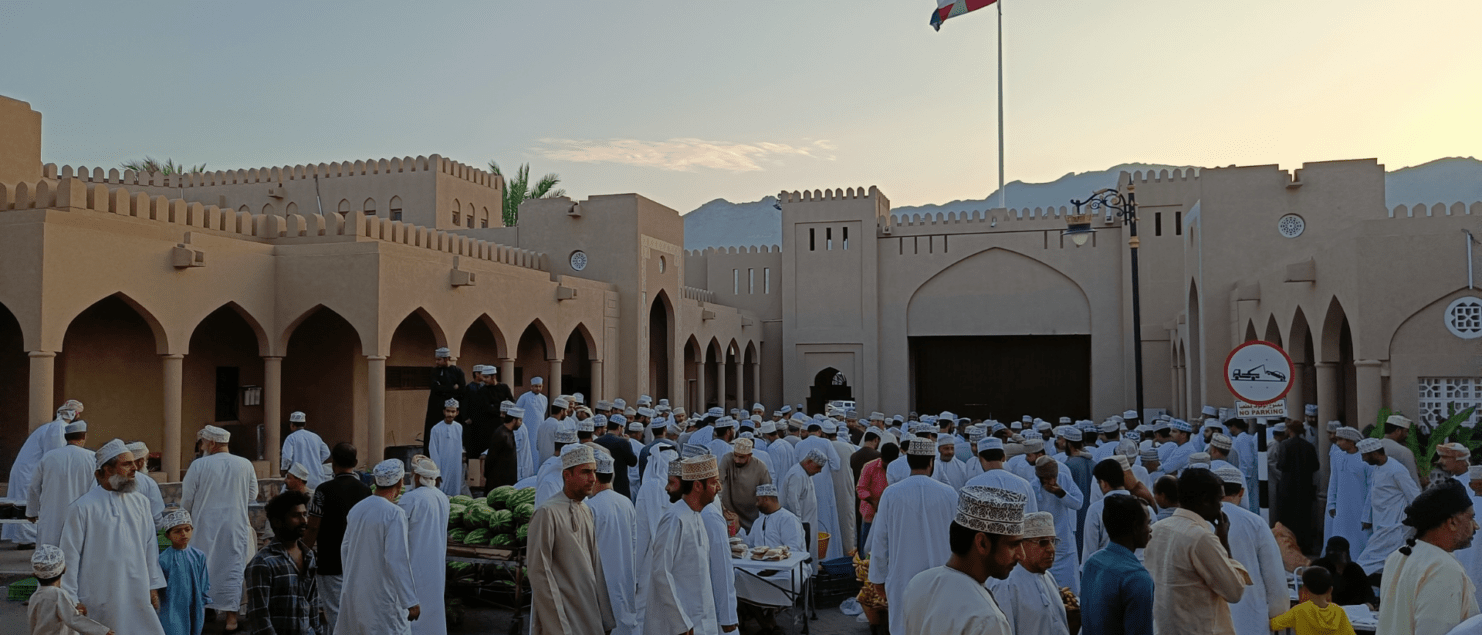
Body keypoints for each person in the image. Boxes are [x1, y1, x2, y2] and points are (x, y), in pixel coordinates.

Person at [60, 439, 165, 634]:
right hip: (98, 592)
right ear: (107, 470)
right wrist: (71, 598)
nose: (135, 468)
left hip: (136, 589)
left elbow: (151, 546)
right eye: (127, 464)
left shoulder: (141, 503)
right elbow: (70, 556)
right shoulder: (82, 508)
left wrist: (153, 584)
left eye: (134, 462)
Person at [901, 485, 1026, 635]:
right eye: (1013, 545)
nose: (1021, 555)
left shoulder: (918, 583)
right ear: (982, 543)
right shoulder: (987, 619)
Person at [868, 438, 959, 635]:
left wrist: (877, 577)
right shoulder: (949, 493)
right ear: (931, 462)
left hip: (903, 576)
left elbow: (880, 539)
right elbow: (958, 539)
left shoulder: (891, 493)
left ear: (908, 461)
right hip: (941, 577)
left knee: (905, 626)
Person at [1145, 467, 1251, 635]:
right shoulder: (1200, 538)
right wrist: (1223, 542)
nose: (1221, 505)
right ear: (1204, 500)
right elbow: (1234, 591)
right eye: (1218, 499)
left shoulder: (1156, 529)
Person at [527, 445, 614, 634]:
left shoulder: (585, 510)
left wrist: (605, 619)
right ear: (567, 475)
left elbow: (595, 566)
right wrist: (558, 626)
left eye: (594, 472)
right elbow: (539, 574)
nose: (592, 478)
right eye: (585, 472)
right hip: (562, 619)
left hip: (588, 615)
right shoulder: (547, 513)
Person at [1377, 478, 1480, 635]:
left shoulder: (1397, 557)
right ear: (1452, 522)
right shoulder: (1443, 569)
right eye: (1471, 518)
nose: (1476, 526)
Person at [181, 425, 258, 633]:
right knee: (232, 568)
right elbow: (252, 495)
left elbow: (186, 499)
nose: (202, 446)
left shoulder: (199, 466)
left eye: (204, 442)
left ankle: (202, 615)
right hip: (235, 526)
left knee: (204, 568)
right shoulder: (245, 464)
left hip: (203, 527)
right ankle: (231, 619)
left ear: (212, 443)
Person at [337, 460, 420, 634]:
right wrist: (410, 601)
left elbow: (345, 550)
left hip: (356, 595)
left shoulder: (357, 509)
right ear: (399, 483)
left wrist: (355, 580)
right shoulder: (394, 513)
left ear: (375, 482)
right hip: (382, 599)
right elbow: (396, 559)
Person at [641, 455, 720, 635]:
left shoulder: (696, 516)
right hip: (677, 625)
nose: (719, 488)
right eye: (714, 482)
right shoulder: (674, 519)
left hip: (700, 621)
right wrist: (681, 623)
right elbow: (661, 572)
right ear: (698, 486)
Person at [303, 442, 369, 635]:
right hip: (358, 563)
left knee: (336, 615)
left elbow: (313, 526)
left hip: (330, 562)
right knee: (356, 614)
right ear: (355, 463)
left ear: (332, 463)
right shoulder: (366, 491)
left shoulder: (323, 491)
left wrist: (302, 553)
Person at [1215, 465, 1288, 635]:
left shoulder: (1200, 520)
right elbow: (1273, 573)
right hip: (1250, 615)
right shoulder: (1255, 522)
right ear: (1241, 492)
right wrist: (1278, 613)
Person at [243, 491, 321, 635]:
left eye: (304, 514)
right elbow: (260, 618)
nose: (304, 521)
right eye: (296, 515)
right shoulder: (262, 563)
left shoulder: (308, 556)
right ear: (277, 521)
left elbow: (313, 606)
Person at [5, 401, 81, 548]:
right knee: (27, 504)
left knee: (29, 503)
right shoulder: (58, 427)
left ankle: (28, 539)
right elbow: (56, 454)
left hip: (30, 470)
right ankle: (27, 540)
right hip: (29, 471)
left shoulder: (53, 427)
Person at [1081, 494, 1155, 635]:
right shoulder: (1137, 578)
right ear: (1135, 527)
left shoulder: (1093, 562)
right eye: (1148, 523)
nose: (1150, 529)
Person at [986, 511, 1070, 634]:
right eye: (1043, 542)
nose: (1051, 549)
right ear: (1021, 545)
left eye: (1053, 541)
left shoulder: (1047, 577)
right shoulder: (1006, 585)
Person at [1356, 437, 1423, 576]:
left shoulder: (1396, 469)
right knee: (1388, 566)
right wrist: (1366, 517)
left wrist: (1419, 522)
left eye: (1364, 455)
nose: (1363, 459)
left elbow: (1414, 495)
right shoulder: (1377, 468)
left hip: (1395, 526)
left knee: (1366, 562)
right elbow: (1372, 493)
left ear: (1374, 454)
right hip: (1381, 524)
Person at [587, 452, 638, 635]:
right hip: (625, 577)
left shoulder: (590, 507)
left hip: (601, 581)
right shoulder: (626, 503)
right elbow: (633, 544)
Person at [398, 455, 449, 635]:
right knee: (434, 612)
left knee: (415, 616)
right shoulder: (443, 498)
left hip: (414, 565)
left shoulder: (410, 499)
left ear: (417, 476)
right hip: (436, 565)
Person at [27, 419, 96, 546]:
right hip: (81, 516)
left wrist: (31, 511)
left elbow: (34, 486)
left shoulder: (49, 457)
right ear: (84, 436)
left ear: (65, 437)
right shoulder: (92, 458)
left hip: (51, 517)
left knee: (49, 556)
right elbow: (96, 489)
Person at [27, 544, 112, 635]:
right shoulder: (58, 594)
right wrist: (103, 631)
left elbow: (49, 618)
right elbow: (73, 619)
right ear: (64, 569)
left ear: (35, 575)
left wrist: (74, 608)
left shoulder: (35, 596)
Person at [1032, 455, 1084, 594]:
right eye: (1048, 479)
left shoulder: (1064, 480)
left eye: (1054, 477)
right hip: (1044, 544)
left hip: (1064, 543)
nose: (1052, 481)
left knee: (1071, 590)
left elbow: (1078, 503)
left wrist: (1061, 493)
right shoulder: (1033, 487)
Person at [795, 421, 845, 559]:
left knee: (808, 520)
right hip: (824, 489)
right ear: (819, 431)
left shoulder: (799, 444)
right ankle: (829, 556)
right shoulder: (826, 443)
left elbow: (795, 466)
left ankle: (809, 556)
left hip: (805, 487)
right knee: (827, 520)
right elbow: (836, 465)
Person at [157, 510, 211, 635]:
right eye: (177, 531)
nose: (183, 534)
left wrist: (201, 600)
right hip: (171, 606)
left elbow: (204, 581)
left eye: (187, 529)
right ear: (168, 535)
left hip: (195, 603)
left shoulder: (199, 556)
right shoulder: (162, 559)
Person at [1276, 420, 1321, 553]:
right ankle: (1305, 546)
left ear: (1290, 430)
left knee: (1287, 518)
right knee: (1304, 518)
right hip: (1305, 488)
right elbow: (1315, 466)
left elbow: (1281, 464)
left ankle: (1289, 546)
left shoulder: (1285, 445)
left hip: (1288, 488)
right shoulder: (1309, 446)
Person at [1270, 566, 1356, 635]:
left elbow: (1273, 624)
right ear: (1330, 590)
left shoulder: (1299, 611)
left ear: (1305, 589)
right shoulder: (1339, 612)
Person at [1325, 427, 1371, 556]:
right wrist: (1331, 504)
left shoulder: (1365, 460)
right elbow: (1333, 481)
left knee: (1359, 542)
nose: (1337, 443)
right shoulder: (1338, 457)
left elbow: (1371, 489)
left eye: (1341, 439)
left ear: (1351, 441)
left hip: (1360, 510)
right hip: (1341, 510)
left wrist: (1368, 514)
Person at [719, 438, 772, 531]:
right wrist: (722, 508)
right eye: (735, 456)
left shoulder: (760, 467)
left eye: (741, 457)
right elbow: (719, 483)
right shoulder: (727, 459)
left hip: (752, 519)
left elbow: (766, 495)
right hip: (730, 515)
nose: (737, 460)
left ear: (750, 455)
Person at [1310, 536, 1376, 609]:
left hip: (1354, 612)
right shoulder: (1319, 567)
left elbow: (1368, 594)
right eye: (1334, 551)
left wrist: (1368, 605)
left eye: (1340, 551)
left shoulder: (1354, 569)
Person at [856, 441, 898, 552]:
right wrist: (874, 502)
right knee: (866, 549)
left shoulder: (897, 469)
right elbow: (861, 489)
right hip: (870, 514)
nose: (889, 466)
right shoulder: (870, 467)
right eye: (886, 463)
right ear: (881, 457)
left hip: (890, 516)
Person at [781, 450, 824, 558]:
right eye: (818, 467)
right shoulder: (797, 474)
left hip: (806, 522)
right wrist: (798, 522)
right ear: (809, 462)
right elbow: (792, 500)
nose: (819, 471)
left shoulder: (804, 473)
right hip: (801, 523)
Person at [424, 347, 465, 446]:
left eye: (439, 359)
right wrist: (452, 388)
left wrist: (444, 388)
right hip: (436, 408)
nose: (437, 362)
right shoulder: (434, 371)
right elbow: (435, 388)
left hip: (452, 409)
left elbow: (462, 389)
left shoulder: (458, 371)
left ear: (446, 359)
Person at [280, 411, 330, 489]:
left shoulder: (291, 438)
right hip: (317, 478)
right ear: (304, 424)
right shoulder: (316, 437)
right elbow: (326, 453)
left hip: (298, 479)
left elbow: (286, 457)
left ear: (292, 425)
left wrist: (284, 469)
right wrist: (316, 462)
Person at [592, 415, 639, 498]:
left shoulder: (597, 441)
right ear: (619, 427)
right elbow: (633, 462)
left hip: (600, 484)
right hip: (620, 486)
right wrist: (628, 443)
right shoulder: (623, 442)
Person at [427, 398, 464, 497]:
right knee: (441, 492)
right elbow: (433, 450)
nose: (450, 414)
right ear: (444, 411)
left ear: (457, 412)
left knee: (455, 492)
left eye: (453, 411)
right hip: (441, 467)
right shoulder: (436, 429)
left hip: (455, 466)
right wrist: (437, 472)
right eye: (448, 411)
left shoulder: (459, 427)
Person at [125, 442, 167, 528]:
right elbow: (157, 516)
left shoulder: (114, 480)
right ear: (141, 462)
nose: (146, 463)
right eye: (146, 460)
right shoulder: (148, 482)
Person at [485, 404, 523, 489]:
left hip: (507, 480)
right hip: (498, 481)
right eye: (520, 420)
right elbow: (491, 458)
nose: (521, 423)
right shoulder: (500, 434)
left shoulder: (510, 432)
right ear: (514, 420)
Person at [1380, 414, 1422, 486]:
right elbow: (1413, 482)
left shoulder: (1374, 447)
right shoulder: (1403, 452)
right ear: (1398, 431)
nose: (1407, 435)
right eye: (1406, 431)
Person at [516, 376, 550, 461]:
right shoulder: (524, 397)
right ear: (531, 387)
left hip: (539, 428)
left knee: (538, 450)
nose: (538, 388)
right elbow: (517, 410)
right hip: (527, 428)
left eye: (540, 386)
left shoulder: (544, 399)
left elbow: (543, 412)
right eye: (536, 386)